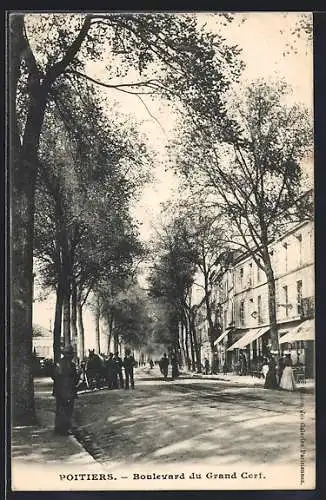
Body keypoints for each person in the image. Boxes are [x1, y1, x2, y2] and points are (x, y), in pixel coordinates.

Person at [52, 345, 79, 436]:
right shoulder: (71, 365)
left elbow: (53, 376)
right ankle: (65, 429)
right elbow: (75, 379)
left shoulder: (58, 363)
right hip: (68, 391)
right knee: (67, 410)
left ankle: (58, 427)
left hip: (59, 391)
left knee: (60, 409)